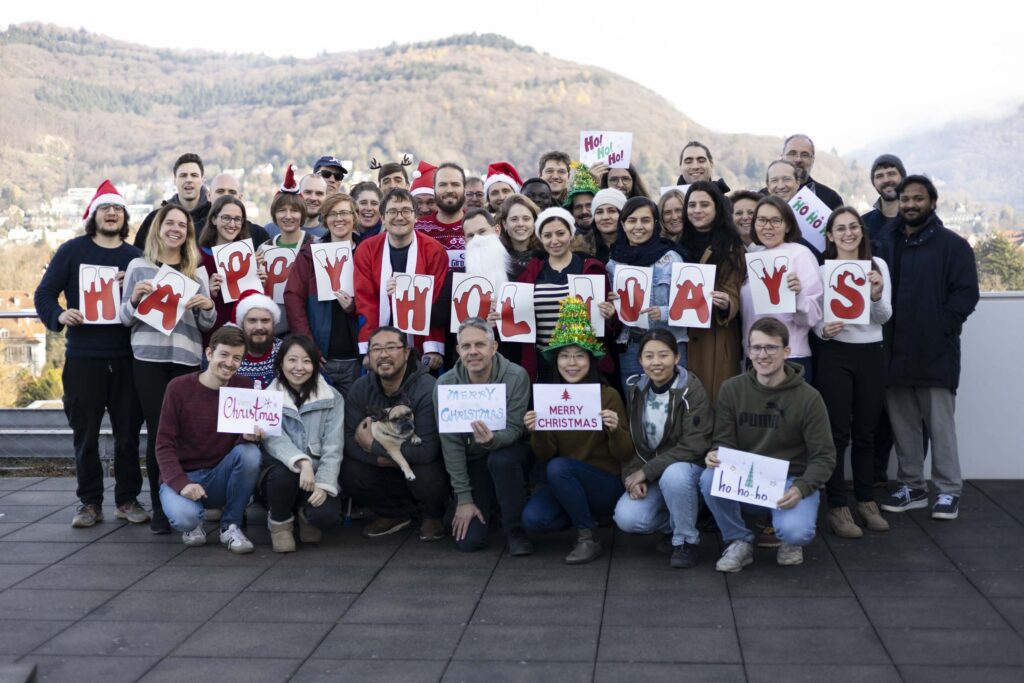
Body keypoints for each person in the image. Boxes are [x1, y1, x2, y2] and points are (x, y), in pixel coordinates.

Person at [34, 180, 146, 528]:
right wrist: (59, 316)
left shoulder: (135, 257)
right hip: (84, 357)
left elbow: (151, 305)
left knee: (129, 434)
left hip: (127, 358)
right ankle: (89, 502)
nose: (111, 214)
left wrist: (137, 290)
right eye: (105, 208)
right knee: (85, 435)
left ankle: (127, 499)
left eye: (117, 209)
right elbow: (44, 295)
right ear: (93, 215)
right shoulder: (71, 251)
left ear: (124, 217)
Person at [876, 175, 979, 520]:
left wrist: (942, 327)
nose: (910, 204)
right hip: (893, 351)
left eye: (917, 198)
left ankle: (949, 490)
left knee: (940, 428)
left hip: (935, 352)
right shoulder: (885, 242)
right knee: (904, 427)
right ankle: (913, 487)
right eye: (905, 198)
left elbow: (966, 294)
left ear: (932, 202)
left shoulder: (954, 245)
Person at [700, 317, 836, 571]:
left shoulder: (809, 398)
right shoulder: (731, 389)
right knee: (709, 477)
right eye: (756, 348)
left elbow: (824, 457)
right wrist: (716, 452)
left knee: (796, 532)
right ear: (748, 351)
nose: (763, 355)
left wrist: (803, 487)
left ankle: (789, 540)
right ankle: (739, 540)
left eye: (771, 348)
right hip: (749, 478)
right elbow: (724, 440)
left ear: (786, 351)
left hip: (790, 481)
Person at [120, 202, 216, 533]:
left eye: (182, 225)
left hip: (186, 359)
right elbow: (125, 319)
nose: (175, 229)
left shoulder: (197, 271)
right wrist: (133, 300)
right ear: (158, 228)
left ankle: (187, 501)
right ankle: (161, 508)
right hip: (148, 359)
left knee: (186, 433)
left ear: (188, 232)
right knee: (159, 431)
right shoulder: (138, 266)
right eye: (169, 223)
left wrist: (207, 306)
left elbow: (207, 323)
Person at [522, 298, 632, 564]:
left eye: (579, 355)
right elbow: (545, 455)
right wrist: (536, 430)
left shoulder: (608, 396)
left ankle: (587, 537)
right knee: (533, 520)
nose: (572, 363)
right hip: (564, 479)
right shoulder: (549, 398)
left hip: (604, 482)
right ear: (556, 360)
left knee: (560, 468)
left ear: (590, 360)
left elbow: (625, 452)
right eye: (565, 355)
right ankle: (584, 516)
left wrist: (616, 429)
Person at [813, 208, 892, 537]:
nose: (848, 233)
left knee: (866, 431)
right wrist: (823, 331)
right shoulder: (821, 271)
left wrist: (875, 295)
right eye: (840, 228)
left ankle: (866, 500)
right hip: (835, 354)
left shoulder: (879, 266)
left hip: (872, 352)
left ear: (862, 231)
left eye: (853, 227)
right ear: (829, 236)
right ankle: (837, 506)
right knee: (836, 433)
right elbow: (814, 320)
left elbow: (884, 316)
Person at [613, 328, 714, 568]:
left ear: (677, 357)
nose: (656, 362)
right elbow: (632, 440)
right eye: (648, 356)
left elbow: (694, 445)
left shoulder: (692, 390)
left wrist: (646, 472)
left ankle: (685, 540)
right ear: (640, 361)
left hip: (688, 472)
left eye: (663, 355)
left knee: (674, 475)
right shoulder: (636, 390)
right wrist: (632, 475)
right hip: (654, 473)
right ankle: (680, 519)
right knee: (627, 519)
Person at [155, 325, 261, 553]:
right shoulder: (178, 388)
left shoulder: (243, 386)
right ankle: (194, 522)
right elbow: (164, 445)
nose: (230, 362)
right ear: (209, 353)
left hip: (219, 474)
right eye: (224, 354)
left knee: (251, 453)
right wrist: (182, 484)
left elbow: (241, 447)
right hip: (184, 474)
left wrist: (247, 437)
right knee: (186, 518)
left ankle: (230, 526)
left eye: (237, 358)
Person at [341, 326, 449, 540]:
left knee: (428, 469)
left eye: (391, 347)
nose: (383, 355)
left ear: (407, 352)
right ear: (368, 355)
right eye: (376, 349)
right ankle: (394, 514)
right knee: (348, 470)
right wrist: (386, 460)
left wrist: (374, 447)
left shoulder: (428, 387)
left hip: (422, 465)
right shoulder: (360, 388)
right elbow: (349, 440)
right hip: (387, 465)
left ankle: (432, 515)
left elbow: (427, 450)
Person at [436, 318, 532, 553]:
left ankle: (515, 531)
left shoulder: (516, 375)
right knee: (468, 542)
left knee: (502, 460)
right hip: (474, 459)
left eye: (480, 345)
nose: (473, 352)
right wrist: (464, 499)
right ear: (458, 350)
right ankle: (487, 508)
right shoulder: (445, 384)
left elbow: (514, 429)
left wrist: (492, 441)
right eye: (466, 346)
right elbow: (451, 446)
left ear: (494, 347)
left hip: (510, 452)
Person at [260, 335, 344, 552]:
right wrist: (303, 463)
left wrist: (324, 484)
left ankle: (305, 514)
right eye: (292, 360)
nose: (299, 367)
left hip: (315, 476)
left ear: (315, 365)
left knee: (327, 516)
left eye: (306, 361)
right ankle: (280, 524)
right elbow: (273, 439)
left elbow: (334, 446)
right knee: (284, 474)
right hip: (280, 475)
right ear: (280, 363)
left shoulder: (332, 397)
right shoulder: (267, 397)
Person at [514, 207, 615, 382]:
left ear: (571, 234)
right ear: (540, 238)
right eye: (547, 235)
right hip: (543, 362)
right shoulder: (531, 274)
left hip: (583, 363)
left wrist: (610, 315)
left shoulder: (591, 270)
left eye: (560, 233)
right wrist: (501, 315)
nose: (554, 241)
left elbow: (608, 325)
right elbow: (518, 320)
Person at [353, 188, 449, 369]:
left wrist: (433, 348)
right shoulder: (367, 250)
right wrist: (368, 348)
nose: (399, 217)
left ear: (416, 216)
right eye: (392, 211)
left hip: (419, 341)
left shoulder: (434, 250)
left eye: (406, 211)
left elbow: (434, 302)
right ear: (382, 217)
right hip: (383, 338)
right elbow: (366, 302)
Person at [284, 192, 362, 396]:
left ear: (354, 217)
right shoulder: (309, 254)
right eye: (332, 214)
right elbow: (293, 299)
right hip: (320, 356)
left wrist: (354, 309)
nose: (339, 219)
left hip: (355, 358)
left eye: (345, 213)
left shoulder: (366, 252)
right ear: (325, 220)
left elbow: (375, 301)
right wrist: (309, 347)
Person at [739, 196, 823, 381]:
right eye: (761, 220)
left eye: (776, 221)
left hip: (789, 357)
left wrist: (798, 295)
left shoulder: (800, 254)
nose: (767, 226)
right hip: (754, 358)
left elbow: (812, 317)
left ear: (788, 226)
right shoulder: (753, 256)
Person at [606, 197, 686, 386]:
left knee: (673, 406)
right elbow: (612, 317)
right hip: (631, 347)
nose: (638, 226)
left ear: (655, 224)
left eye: (645, 220)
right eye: (632, 221)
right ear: (623, 225)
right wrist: (610, 310)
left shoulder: (671, 259)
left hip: (670, 344)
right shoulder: (613, 263)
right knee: (635, 407)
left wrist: (664, 312)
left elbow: (689, 306)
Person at [681, 182, 747, 405]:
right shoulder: (675, 243)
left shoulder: (731, 244)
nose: (697, 210)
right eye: (691, 205)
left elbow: (734, 288)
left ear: (717, 208)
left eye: (704, 204)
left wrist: (727, 302)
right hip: (682, 334)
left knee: (714, 401)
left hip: (716, 335)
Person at [197, 195, 267, 345]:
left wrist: (259, 283)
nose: (232, 224)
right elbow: (192, 310)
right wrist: (208, 291)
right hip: (212, 342)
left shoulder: (250, 257)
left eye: (237, 219)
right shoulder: (199, 257)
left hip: (244, 341)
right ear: (214, 219)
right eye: (226, 218)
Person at [133, 153, 209, 248]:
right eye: (183, 175)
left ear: (202, 180)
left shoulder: (215, 217)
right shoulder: (156, 219)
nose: (189, 179)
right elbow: (138, 256)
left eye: (194, 175)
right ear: (175, 181)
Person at [415, 162, 467, 261]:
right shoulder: (416, 229)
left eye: (455, 184)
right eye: (443, 185)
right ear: (434, 189)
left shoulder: (478, 227)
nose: (449, 190)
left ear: (464, 189)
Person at [233, 290, 283, 389]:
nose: (259, 327)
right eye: (252, 320)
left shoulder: (286, 351)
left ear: (273, 323)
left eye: (265, 320)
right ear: (242, 324)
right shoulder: (230, 356)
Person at [782, 134, 844, 209]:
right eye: (792, 154)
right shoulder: (765, 196)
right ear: (782, 157)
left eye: (805, 155)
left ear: (813, 160)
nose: (798, 159)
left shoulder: (831, 199)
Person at [207, 173, 270, 248]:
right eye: (220, 191)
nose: (226, 196)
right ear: (209, 196)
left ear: (240, 198)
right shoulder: (195, 232)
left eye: (232, 192)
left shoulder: (258, 235)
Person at [862, 154, 906, 248]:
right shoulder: (863, 224)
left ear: (903, 178)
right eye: (879, 176)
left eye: (891, 174)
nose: (886, 180)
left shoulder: (919, 221)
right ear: (874, 183)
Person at [583, 188, 626, 263]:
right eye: (599, 212)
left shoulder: (635, 246)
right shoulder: (582, 249)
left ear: (623, 215)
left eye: (612, 211)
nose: (605, 217)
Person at [565, 164, 599, 236]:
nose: (584, 211)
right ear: (571, 212)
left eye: (589, 205)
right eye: (578, 207)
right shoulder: (564, 241)